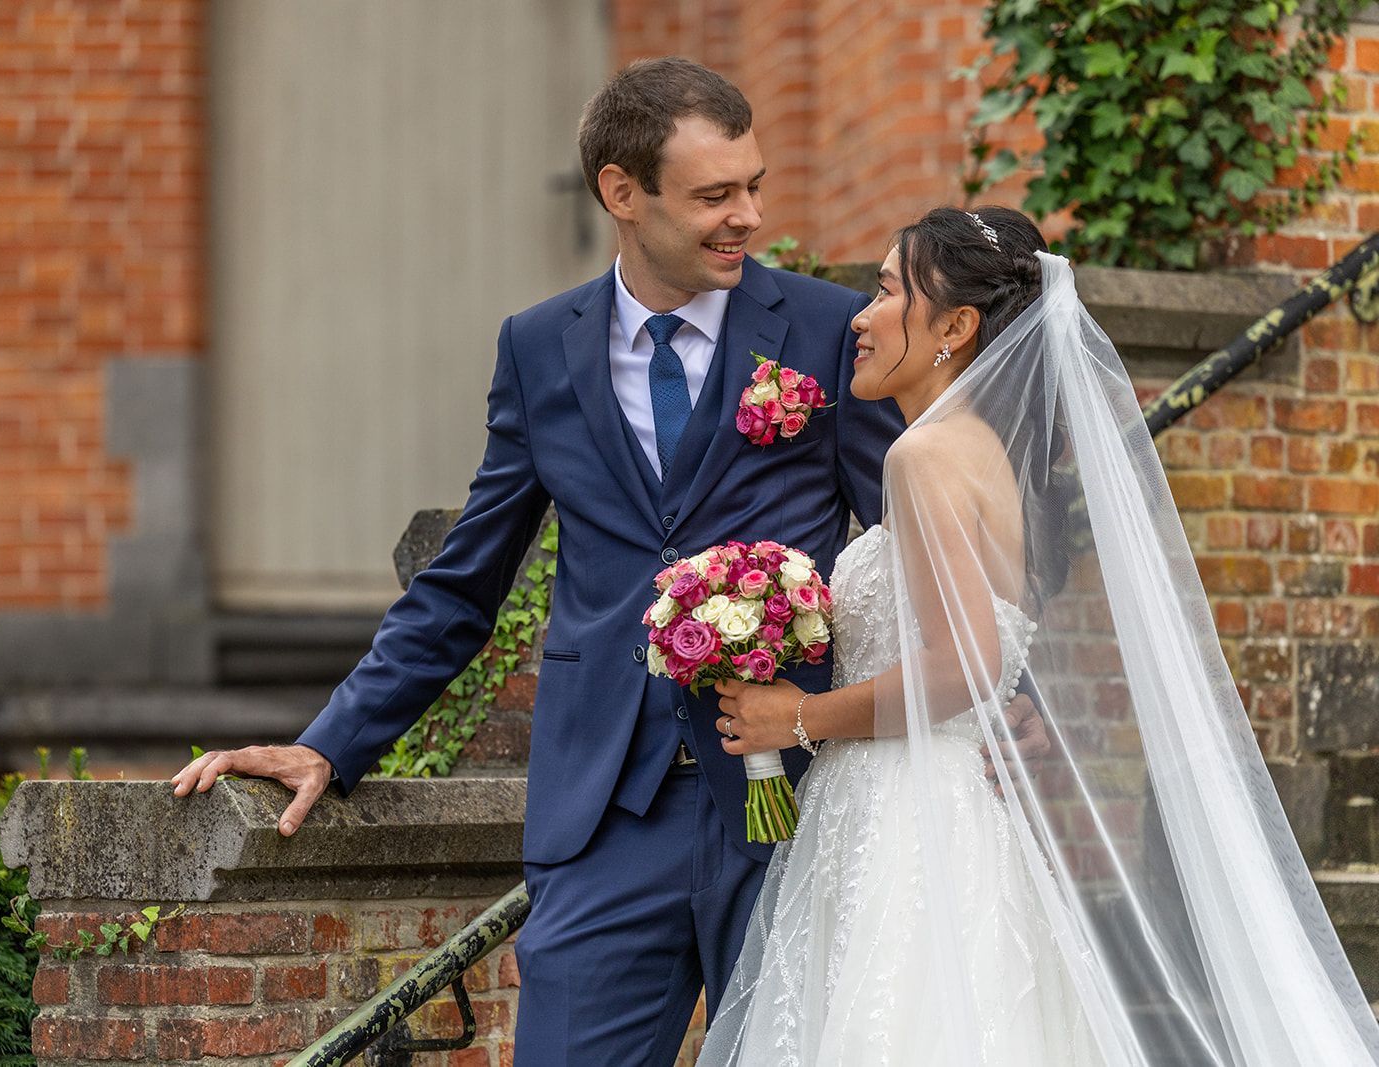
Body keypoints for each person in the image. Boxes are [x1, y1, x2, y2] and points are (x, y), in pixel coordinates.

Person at [171, 61, 1045, 1063]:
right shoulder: (540, 348)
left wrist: (999, 698)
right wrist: (330, 742)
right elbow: (463, 584)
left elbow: (934, 541)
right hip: (604, 817)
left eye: (753, 186)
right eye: (714, 195)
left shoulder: (824, 331)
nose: (748, 216)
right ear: (622, 192)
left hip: (792, 804)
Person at [698, 206, 1379, 1065]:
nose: (860, 319)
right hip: (949, 804)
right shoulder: (990, 454)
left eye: (885, 292)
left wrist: (796, 717)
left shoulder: (921, 458)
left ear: (955, 328)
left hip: (905, 811)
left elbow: (966, 664)